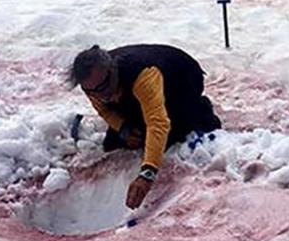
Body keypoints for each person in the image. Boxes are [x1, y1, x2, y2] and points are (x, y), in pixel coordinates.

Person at [68, 44, 221, 208]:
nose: (99, 95)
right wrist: (123, 128)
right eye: (91, 92)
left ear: (112, 71)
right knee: (116, 142)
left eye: (103, 87)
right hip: (131, 90)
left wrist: (147, 173)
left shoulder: (142, 75)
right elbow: (105, 110)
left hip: (182, 79)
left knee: (170, 138)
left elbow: (158, 123)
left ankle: (200, 110)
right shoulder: (92, 84)